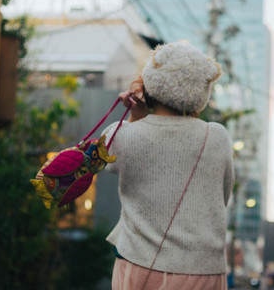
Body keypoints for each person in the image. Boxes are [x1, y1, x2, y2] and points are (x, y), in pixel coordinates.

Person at [101, 41, 235, 290]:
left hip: (139, 265)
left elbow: (108, 162)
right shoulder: (217, 137)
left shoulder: (123, 135)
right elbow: (221, 195)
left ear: (150, 82)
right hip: (204, 271)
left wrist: (134, 117)